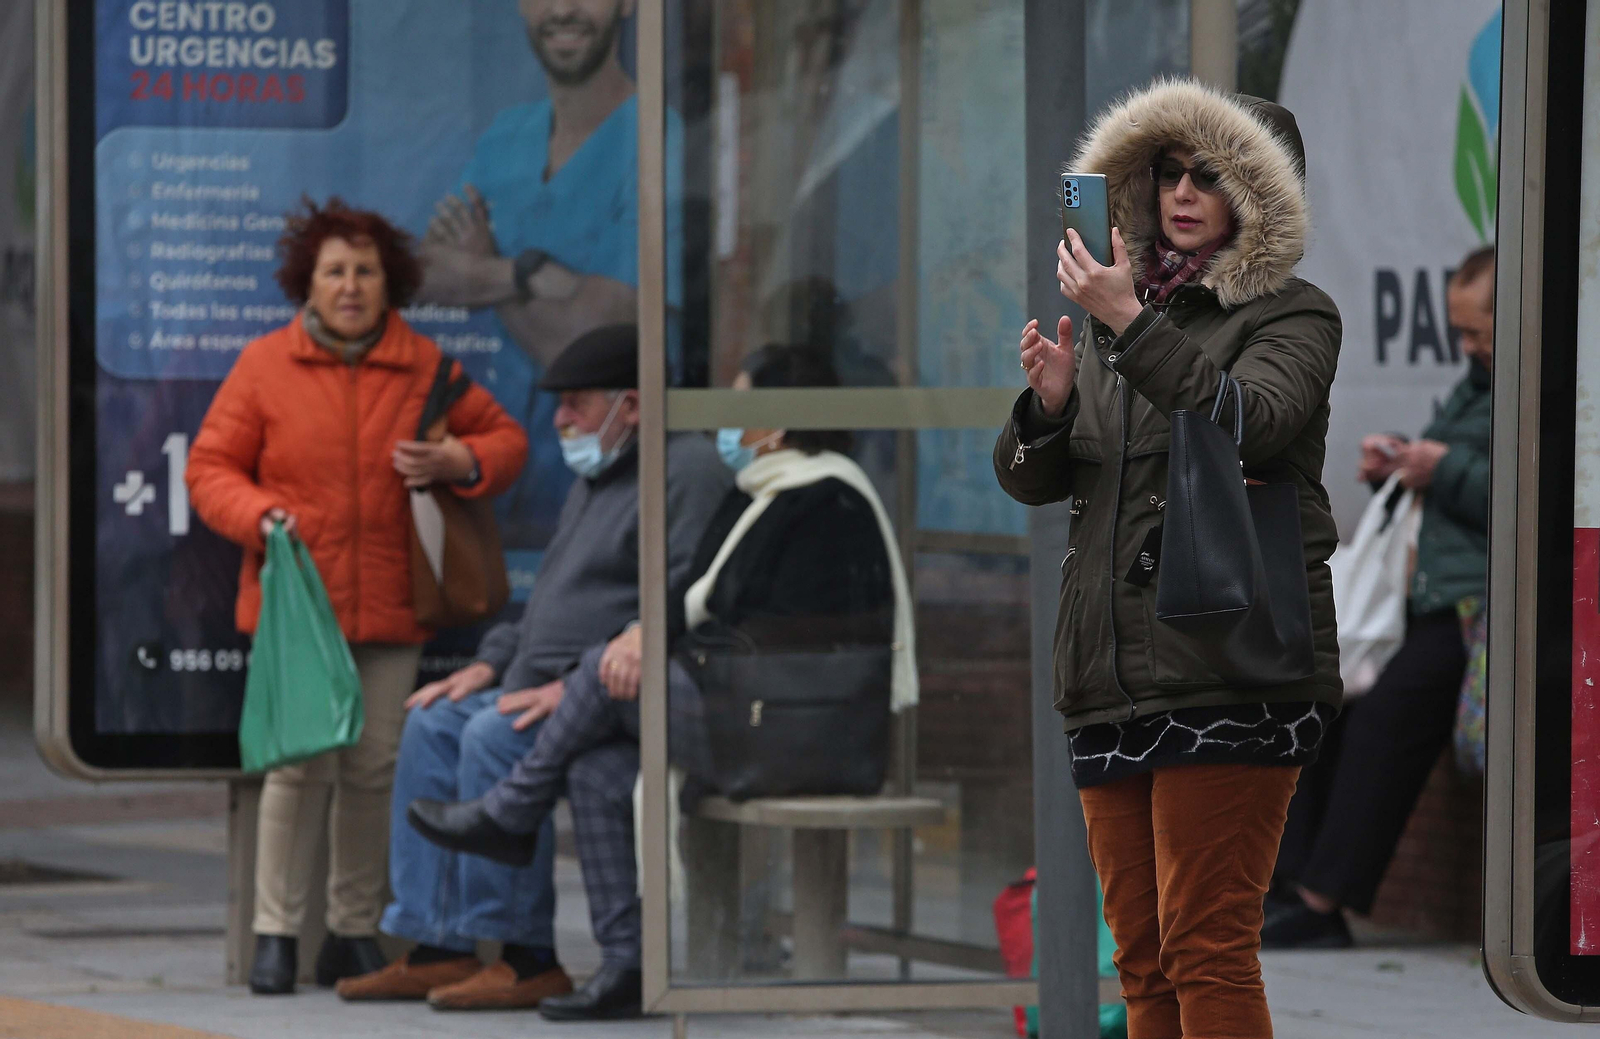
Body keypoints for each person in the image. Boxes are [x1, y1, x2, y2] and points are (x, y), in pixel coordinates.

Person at [406, 344, 917, 1021]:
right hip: (754, 712)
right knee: (597, 770)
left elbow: (750, 615)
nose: (725, 422)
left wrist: (647, 637)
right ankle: (625, 964)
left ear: (780, 421)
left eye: (740, 406)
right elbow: (700, 599)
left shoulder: (822, 496)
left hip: (799, 729)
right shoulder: (761, 494)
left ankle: (512, 809)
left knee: (600, 669)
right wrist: (645, 635)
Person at [994, 80, 1342, 1038]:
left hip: (1233, 664)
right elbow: (1033, 481)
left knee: (1207, 947)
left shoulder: (1294, 315)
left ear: (1260, 197)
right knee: (1142, 959)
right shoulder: (1122, 318)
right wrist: (1051, 407)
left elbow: (1253, 424)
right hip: (1112, 672)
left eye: (1212, 176)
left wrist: (1132, 329)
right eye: (1169, 174)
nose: (1182, 194)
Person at [185, 198, 529, 996]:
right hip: (298, 610)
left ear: (390, 282)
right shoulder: (264, 364)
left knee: (375, 767)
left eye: (365, 271)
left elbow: (507, 442)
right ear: (307, 282)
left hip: (392, 605)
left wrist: (459, 462)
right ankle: (275, 932)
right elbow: (208, 469)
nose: (350, 285)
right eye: (334, 270)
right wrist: (261, 515)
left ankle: (350, 931)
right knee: (297, 765)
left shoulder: (427, 365)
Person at [334, 325, 731, 1012]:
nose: (561, 420)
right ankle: (438, 943)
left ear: (630, 406)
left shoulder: (684, 472)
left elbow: (675, 604)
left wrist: (572, 682)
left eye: (576, 403)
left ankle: (524, 955)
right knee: (431, 720)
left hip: (603, 694)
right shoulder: (599, 475)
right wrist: (488, 665)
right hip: (538, 681)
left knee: (491, 736)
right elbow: (548, 604)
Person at [1263, 246, 1495, 950]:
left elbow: (1528, 492)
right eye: (1458, 331)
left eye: (1477, 331)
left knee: (1383, 726)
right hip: (1422, 594)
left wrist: (1442, 466)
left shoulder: (1543, 390)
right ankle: (1287, 882)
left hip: (1475, 605)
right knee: (1320, 709)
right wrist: (1402, 462)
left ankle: (1321, 897)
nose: (1467, 346)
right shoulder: (1476, 384)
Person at [416, 0, 682, 548]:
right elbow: (425, 273)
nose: (563, 9)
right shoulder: (507, 138)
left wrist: (484, 273)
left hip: (612, 482)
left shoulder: (656, 137)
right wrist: (525, 274)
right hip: (503, 474)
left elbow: (593, 338)